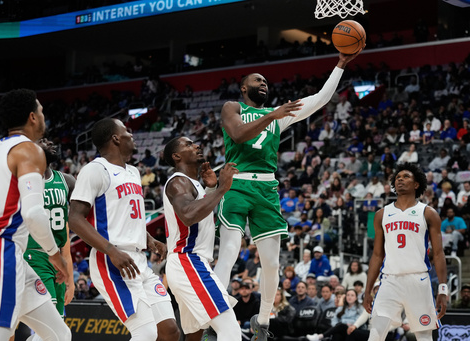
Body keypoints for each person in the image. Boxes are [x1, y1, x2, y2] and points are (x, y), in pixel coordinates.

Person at [213, 49, 362, 341]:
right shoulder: (233, 107)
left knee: (271, 264)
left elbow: (320, 98)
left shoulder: (278, 117)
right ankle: (214, 317)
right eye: (258, 80)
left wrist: (341, 64)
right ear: (244, 88)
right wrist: (273, 114)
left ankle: (263, 321)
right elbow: (240, 134)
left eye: (267, 81)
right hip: (237, 183)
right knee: (229, 252)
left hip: (267, 188)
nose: (264, 83)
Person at [0, 89, 71, 341]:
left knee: (59, 335)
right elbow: (33, 214)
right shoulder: (30, 150)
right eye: (41, 110)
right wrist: (55, 256)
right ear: (32, 117)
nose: (43, 116)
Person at [68, 118, 180, 341]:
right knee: (146, 333)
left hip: (139, 259)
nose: (132, 135)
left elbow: (127, 218)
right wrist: (111, 250)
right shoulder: (95, 169)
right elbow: (75, 219)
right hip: (111, 260)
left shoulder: (133, 172)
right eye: (127, 131)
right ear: (116, 138)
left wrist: (148, 239)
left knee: (169, 332)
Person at [162, 136, 240, 341]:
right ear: (176, 156)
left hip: (186, 263)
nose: (196, 145)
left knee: (194, 335)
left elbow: (198, 213)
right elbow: (188, 216)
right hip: (188, 261)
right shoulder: (178, 182)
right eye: (188, 144)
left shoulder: (192, 184)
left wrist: (212, 189)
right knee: (230, 330)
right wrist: (223, 188)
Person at [363, 162, 448, 341]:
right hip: (389, 280)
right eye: (398, 178)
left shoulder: (427, 213)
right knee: (375, 336)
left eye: (406, 177)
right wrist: (368, 289)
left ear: (416, 184)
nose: (400, 179)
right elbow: (377, 255)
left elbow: (439, 254)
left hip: (418, 280)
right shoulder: (381, 214)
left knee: (424, 337)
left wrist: (443, 288)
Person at [23, 138, 76, 322]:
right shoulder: (24, 183)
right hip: (34, 254)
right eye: (40, 141)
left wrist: (70, 280)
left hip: (58, 258)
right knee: (50, 322)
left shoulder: (67, 181)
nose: (47, 140)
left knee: (58, 324)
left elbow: (67, 235)